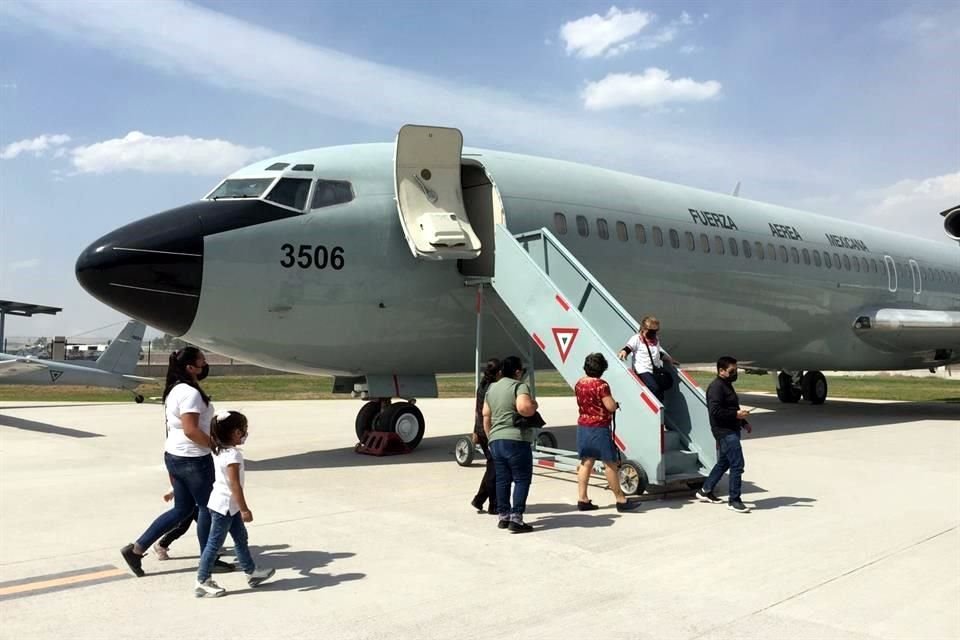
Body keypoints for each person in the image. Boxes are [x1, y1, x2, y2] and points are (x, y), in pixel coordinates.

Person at [120, 347, 231, 576]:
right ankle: (208, 559)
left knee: (182, 509)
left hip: (175, 455)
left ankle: (137, 549)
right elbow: (191, 430)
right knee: (207, 509)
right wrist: (216, 445)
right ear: (190, 367)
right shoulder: (189, 393)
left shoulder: (175, 389)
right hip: (193, 459)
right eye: (202, 361)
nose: (205, 364)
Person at [195, 410, 275, 597]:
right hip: (225, 507)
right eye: (243, 430)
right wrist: (245, 509)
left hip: (227, 505)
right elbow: (235, 485)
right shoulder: (233, 456)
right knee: (214, 544)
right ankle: (202, 580)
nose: (245, 433)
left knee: (240, 539)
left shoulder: (218, 449)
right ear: (235, 433)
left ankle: (251, 572)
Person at [574, 353, 640, 512]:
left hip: (583, 426)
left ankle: (582, 498)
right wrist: (616, 405)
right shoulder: (601, 385)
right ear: (602, 369)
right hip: (599, 427)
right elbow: (609, 406)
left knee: (586, 462)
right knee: (609, 464)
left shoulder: (579, 384)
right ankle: (620, 499)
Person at [482, 356, 538, 533]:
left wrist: (491, 436)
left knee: (503, 479)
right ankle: (517, 518)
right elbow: (524, 408)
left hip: (496, 440)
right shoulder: (518, 386)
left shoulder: (491, 388)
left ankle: (503, 516)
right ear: (518, 371)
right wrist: (534, 405)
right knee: (522, 479)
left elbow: (486, 414)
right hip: (515, 439)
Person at [697, 356, 753, 513]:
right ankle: (734, 500)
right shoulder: (716, 387)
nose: (735, 373)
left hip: (732, 428)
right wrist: (736, 415)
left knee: (724, 462)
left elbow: (732, 406)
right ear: (721, 371)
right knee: (737, 464)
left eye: (736, 370)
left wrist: (743, 422)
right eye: (732, 371)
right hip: (724, 431)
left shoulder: (727, 385)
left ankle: (705, 490)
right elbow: (715, 412)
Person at [617, 315, 677, 403]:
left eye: (656, 331)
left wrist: (669, 359)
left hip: (655, 370)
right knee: (654, 388)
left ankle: (660, 407)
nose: (654, 333)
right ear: (644, 329)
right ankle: (657, 408)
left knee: (668, 382)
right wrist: (624, 352)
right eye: (652, 331)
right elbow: (628, 348)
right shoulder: (636, 339)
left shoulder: (655, 339)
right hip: (643, 371)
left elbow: (657, 354)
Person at [470, 358, 501, 514]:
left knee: (492, 465)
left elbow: (477, 410)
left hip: (481, 429)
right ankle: (493, 504)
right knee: (494, 467)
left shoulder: (481, 385)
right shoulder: (493, 388)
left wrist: (475, 430)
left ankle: (479, 499)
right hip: (489, 430)